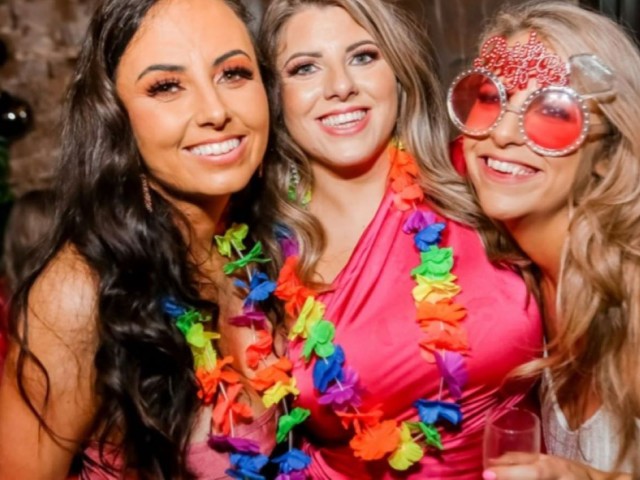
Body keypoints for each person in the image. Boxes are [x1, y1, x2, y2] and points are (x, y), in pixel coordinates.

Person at [257, 0, 543, 478]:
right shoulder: (259, 251)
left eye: (363, 56)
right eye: (305, 68)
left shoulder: (479, 174)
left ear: (399, 71)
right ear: (273, 96)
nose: (340, 86)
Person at [0, 0, 280, 477]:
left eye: (233, 73)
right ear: (115, 116)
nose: (216, 110)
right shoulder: (82, 292)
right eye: (166, 86)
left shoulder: (256, 249)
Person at [446, 1, 640, 478]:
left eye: (552, 111)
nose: (503, 134)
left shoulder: (632, 293)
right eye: (490, 98)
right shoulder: (515, 281)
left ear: (606, 154)